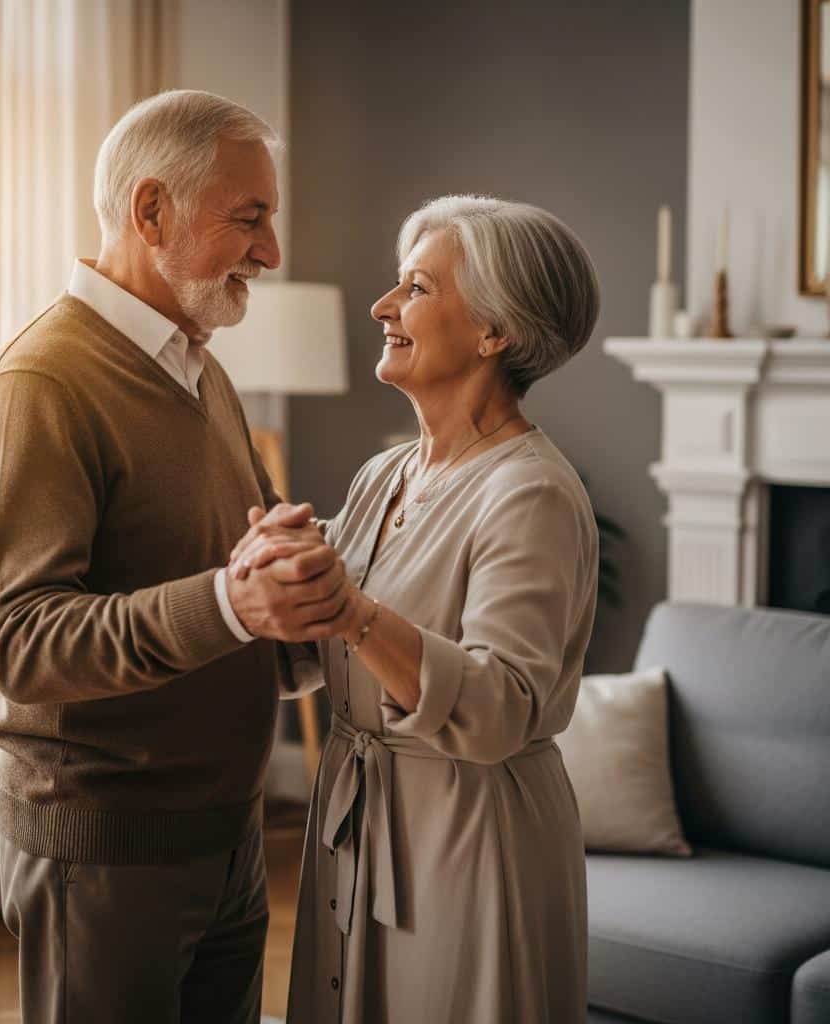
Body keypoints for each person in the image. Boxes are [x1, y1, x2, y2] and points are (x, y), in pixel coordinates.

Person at [0, 90, 352, 1024]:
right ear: (151, 212)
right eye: (249, 219)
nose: (272, 252)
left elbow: (226, 583)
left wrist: (290, 589)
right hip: (103, 848)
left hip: (228, 834)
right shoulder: (40, 384)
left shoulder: (200, 364)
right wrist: (232, 600)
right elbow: (21, 642)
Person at [230, 194, 601, 1022]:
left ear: (493, 332)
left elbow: (502, 710)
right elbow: (311, 661)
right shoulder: (382, 476)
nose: (383, 306)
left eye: (418, 288)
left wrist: (350, 609)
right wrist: (272, 581)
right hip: (357, 818)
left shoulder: (531, 492)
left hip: (468, 838)